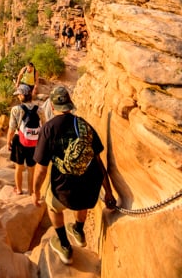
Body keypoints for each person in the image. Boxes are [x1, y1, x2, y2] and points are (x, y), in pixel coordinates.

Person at [32, 85, 116, 266]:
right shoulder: (85, 126)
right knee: (83, 194)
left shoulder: (48, 129)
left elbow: (41, 169)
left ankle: (64, 246)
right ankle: (78, 230)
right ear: (69, 104)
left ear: (52, 107)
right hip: (89, 194)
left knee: (52, 206)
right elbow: (99, 164)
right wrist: (108, 192)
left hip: (63, 192)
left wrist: (35, 191)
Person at [7, 84, 44, 195]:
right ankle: (30, 191)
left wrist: (8, 142)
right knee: (31, 168)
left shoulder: (16, 110)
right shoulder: (39, 109)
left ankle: (19, 190)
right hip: (34, 140)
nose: (18, 97)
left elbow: (12, 128)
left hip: (19, 139)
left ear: (22, 95)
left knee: (19, 166)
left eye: (19, 95)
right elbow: (44, 126)